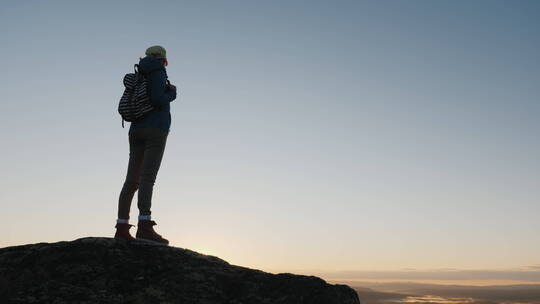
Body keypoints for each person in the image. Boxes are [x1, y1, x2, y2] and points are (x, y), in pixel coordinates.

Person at [114, 45, 177, 244]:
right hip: (156, 129)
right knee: (147, 177)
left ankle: (122, 227)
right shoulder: (158, 71)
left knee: (131, 180)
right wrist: (172, 93)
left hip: (135, 130)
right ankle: (144, 225)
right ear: (162, 59)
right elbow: (158, 100)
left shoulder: (139, 72)